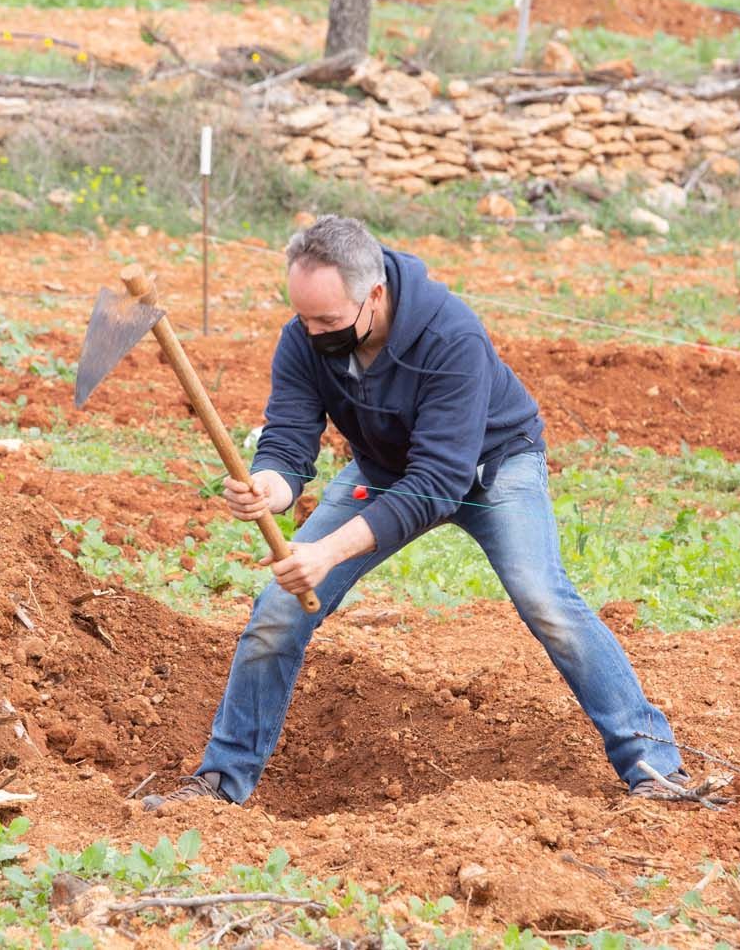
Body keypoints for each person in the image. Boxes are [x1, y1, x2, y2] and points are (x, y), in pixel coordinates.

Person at [143, 215, 689, 812]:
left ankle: (653, 766)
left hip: (489, 469)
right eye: (303, 316)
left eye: (327, 320)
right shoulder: (304, 337)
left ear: (374, 294)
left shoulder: (451, 337)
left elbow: (437, 484)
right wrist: (269, 487)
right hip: (383, 471)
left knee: (546, 601)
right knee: (277, 609)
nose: (312, 331)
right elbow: (289, 439)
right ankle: (222, 783)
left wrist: (325, 552)